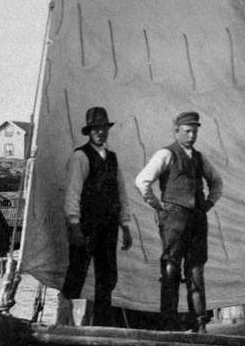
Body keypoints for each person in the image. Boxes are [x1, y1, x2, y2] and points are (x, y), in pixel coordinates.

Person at [135, 110, 223, 331]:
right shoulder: (166, 154)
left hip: (197, 221)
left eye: (194, 131)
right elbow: (142, 181)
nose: (192, 136)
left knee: (196, 271)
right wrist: (158, 207)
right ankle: (168, 324)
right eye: (187, 131)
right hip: (174, 220)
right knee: (170, 270)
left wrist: (208, 205)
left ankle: (200, 325)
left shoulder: (200, 158)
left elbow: (217, 183)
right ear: (177, 131)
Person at [58, 106, 133, 327]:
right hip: (86, 227)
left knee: (107, 278)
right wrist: (74, 224)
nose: (100, 132)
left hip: (108, 227)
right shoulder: (80, 157)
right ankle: (64, 323)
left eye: (103, 128)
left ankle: (101, 326)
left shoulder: (112, 159)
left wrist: (125, 225)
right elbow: (73, 192)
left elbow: (121, 193)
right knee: (77, 273)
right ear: (89, 132)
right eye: (96, 128)